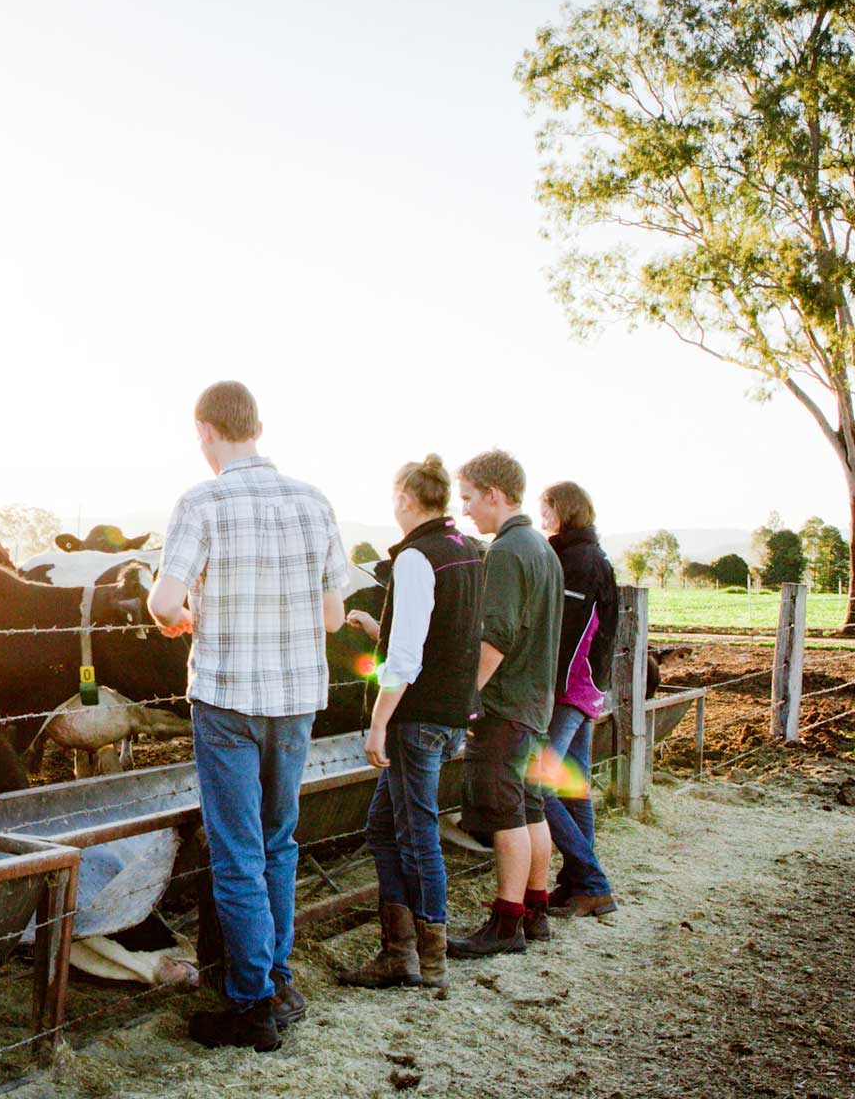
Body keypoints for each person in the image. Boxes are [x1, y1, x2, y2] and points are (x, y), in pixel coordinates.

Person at [147, 380, 358, 1052]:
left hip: (229, 701)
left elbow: (163, 600)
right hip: (296, 702)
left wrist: (182, 618)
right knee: (278, 844)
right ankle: (278, 979)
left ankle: (251, 1004)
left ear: (206, 431)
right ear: (258, 427)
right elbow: (331, 617)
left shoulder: (202, 500)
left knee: (237, 851)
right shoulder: (314, 500)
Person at [341, 454, 482, 991]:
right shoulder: (465, 549)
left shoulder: (416, 558)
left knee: (416, 831)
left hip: (416, 717)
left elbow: (405, 660)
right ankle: (400, 950)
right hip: (448, 713)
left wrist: (379, 723)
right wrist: (379, 624)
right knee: (385, 826)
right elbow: (442, 630)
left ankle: (429, 958)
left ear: (404, 497)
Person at [447, 449, 564, 959]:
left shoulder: (507, 552)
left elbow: (494, 637)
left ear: (494, 494)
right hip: (537, 703)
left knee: (504, 813)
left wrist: (462, 698)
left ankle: (506, 923)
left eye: (470, 498)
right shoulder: (543, 548)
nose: (467, 509)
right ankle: (535, 910)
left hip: (507, 704)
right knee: (530, 806)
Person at [538, 481, 620, 918]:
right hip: (585, 687)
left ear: (562, 510)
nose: (542, 517)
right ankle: (577, 885)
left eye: (546, 508)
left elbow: (569, 634)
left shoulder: (579, 561)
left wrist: (548, 689)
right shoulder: (591, 555)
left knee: (535, 784)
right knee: (573, 787)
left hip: (569, 689)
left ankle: (592, 881)